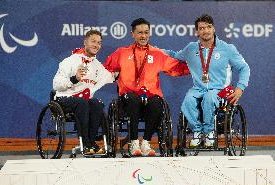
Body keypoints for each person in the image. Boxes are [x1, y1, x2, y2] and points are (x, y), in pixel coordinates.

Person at [103, 18, 189, 156]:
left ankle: (146, 142)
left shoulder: (157, 53)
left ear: (150, 33)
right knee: (133, 98)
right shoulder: (121, 53)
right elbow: (104, 70)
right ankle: (134, 142)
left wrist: (196, 67)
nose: (143, 36)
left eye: (146, 32)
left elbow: (177, 67)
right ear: (133, 34)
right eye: (140, 33)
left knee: (157, 102)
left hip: (150, 97)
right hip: (128, 98)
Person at [164, 14, 250, 147]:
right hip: (198, 89)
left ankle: (210, 132)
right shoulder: (191, 49)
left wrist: (240, 87)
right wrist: (156, 51)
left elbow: (244, 68)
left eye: (208, 27)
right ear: (197, 32)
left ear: (214, 29)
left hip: (221, 89)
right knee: (188, 99)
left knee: (209, 98)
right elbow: (175, 56)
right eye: (202, 28)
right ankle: (197, 132)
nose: (206, 31)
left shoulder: (227, 49)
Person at [53, 30, 114, 154]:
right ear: (85, 42)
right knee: (83, 103)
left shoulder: (98, 66)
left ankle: (91, 143)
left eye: (99, 43)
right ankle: (85, 143)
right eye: (93, 41)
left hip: (83, 102)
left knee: (96, 103)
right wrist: (74, 79)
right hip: (64, 98)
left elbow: (113, 76)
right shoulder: (70, 61)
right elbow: (56, 85)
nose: (96, 45)